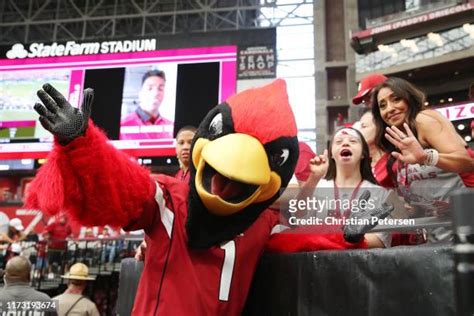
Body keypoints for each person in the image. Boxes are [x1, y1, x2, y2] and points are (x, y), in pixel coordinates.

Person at [29, 80, 303, 315]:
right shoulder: (171, 199)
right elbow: (121, 189)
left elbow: (314, 232)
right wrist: (81, 144)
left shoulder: (264, 220)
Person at [371, 77, 474, 239]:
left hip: (467, 229)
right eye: (382, 105)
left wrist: (426, 156)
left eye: (396, 99)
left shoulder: (424, 119)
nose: (389, 109)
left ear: (409, 98)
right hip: (438, 238)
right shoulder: (397, 143)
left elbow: (467, 163)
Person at [300, 127, 393, 248]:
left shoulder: (379, 193)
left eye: (353, 141)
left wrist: (355, 239)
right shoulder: (318, 186)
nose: (345, 143)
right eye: (338, 141)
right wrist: (314, 178)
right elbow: (298, 215)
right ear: (331, 154)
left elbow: (381, 241)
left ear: (363, 154)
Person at [120, 70, 174, 140]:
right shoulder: (123, 124)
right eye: (150, 88)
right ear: (140, 93)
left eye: (160, 89)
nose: (156, 93)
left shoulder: (171, 126)